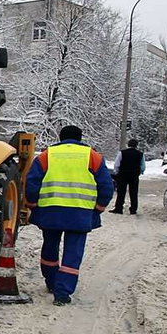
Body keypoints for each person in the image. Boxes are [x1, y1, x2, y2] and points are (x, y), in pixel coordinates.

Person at [25, 125, 114, 305]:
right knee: (73, 253)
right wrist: (99, 207)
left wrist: (33, 204)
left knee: (50, 246)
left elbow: (32, 181)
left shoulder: (46, 155)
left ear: (61, 136)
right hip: (80, 213)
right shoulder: (93, 157)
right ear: (80, 138)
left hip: (51, 211)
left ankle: (51, 281)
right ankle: (62, 292)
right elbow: (106, 185)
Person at [110, 139, 146, 215]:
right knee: (133, 192)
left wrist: (116, 172)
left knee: (121, 192)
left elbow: (117, 164)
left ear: (128, 144)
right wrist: (140, 172)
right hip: (134, 175)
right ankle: (133, 209)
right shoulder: (140, 154)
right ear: (136, 145)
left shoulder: (122, 153)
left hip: (123, 174)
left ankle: (119, 208)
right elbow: (143, 166)